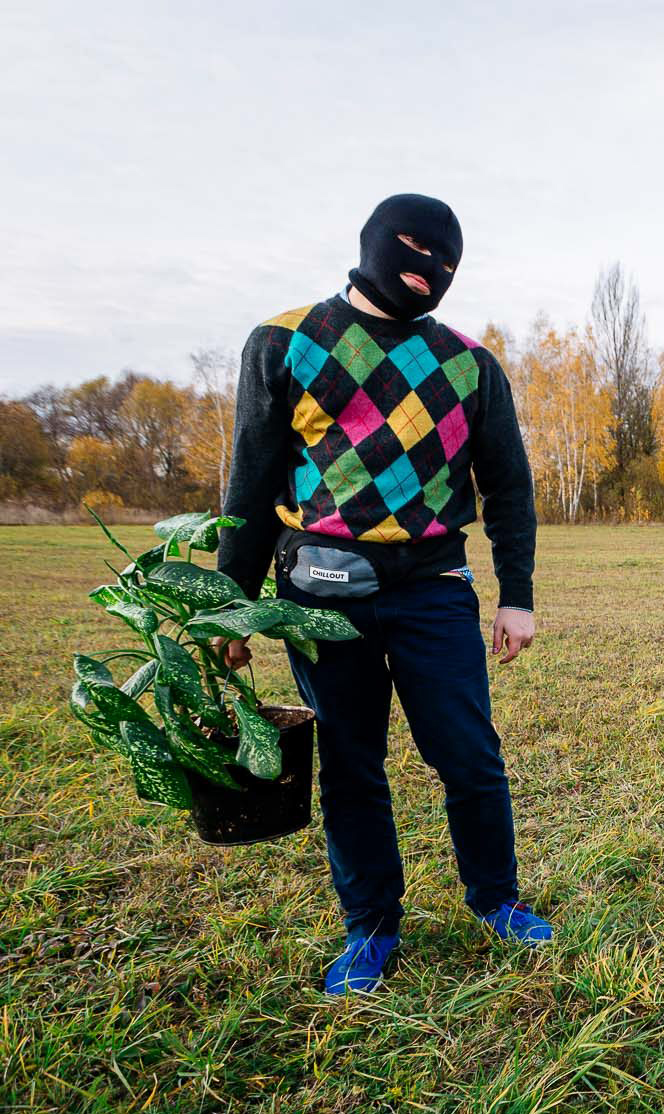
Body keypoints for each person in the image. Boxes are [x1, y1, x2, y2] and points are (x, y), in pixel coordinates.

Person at [215, 192, 551, 997]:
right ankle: (370, 925)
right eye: (411, 246)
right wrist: (229, 605)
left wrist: (518, 593)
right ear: (370, 242)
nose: (429, 269)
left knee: (470, 756)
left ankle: (496, 900)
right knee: (350, 764)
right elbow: (251, 484)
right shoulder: (285, 342)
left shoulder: (471, 364)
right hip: (320, 593)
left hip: (434, 585)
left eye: (448, 261)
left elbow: (508, 486)